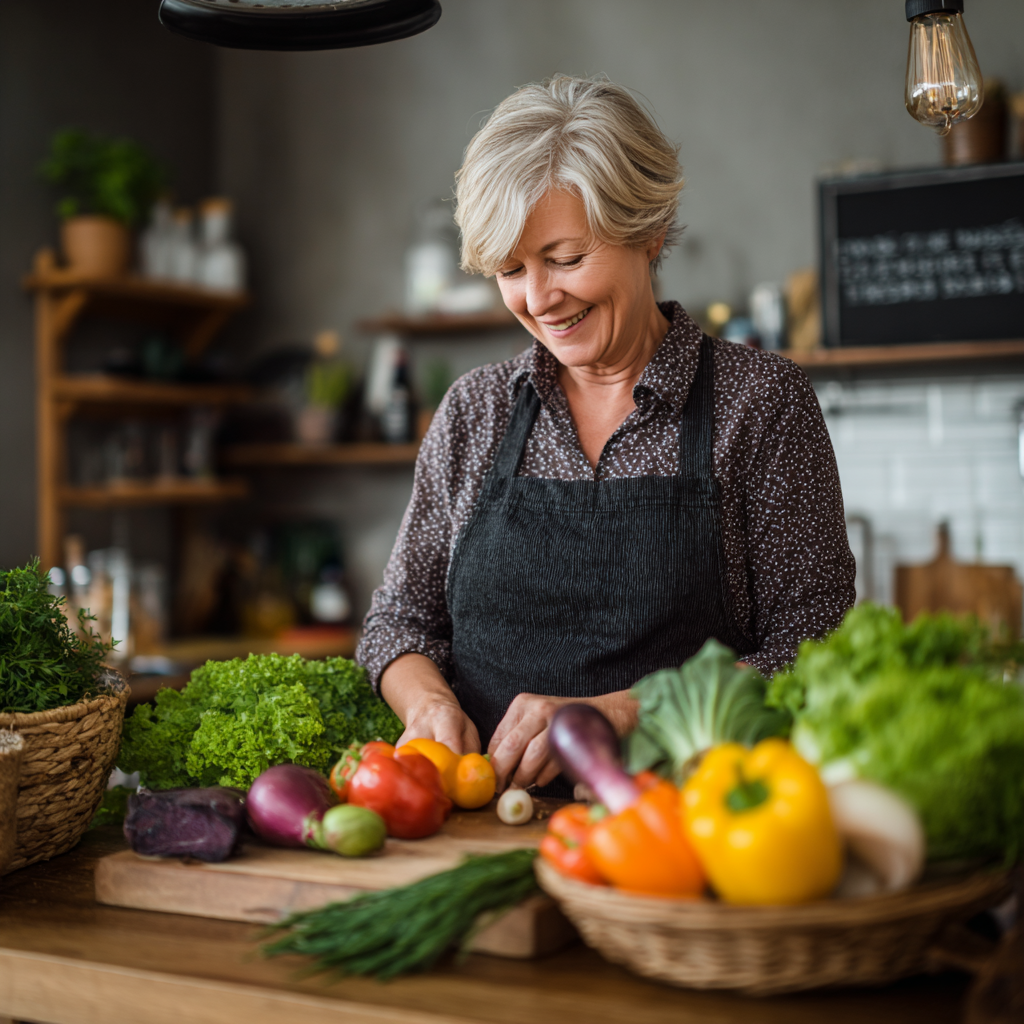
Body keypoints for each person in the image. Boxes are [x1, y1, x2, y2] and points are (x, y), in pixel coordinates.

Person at [356, 75, 855, 796]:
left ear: (647, 232)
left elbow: (815, 653)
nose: (538, 298)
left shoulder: (761, 404)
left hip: (687, 828)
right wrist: (427, 702)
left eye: (564, 259)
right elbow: (398, 624)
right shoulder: (474, 411)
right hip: (474, 833)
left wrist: (619, 714)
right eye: (510, 270)